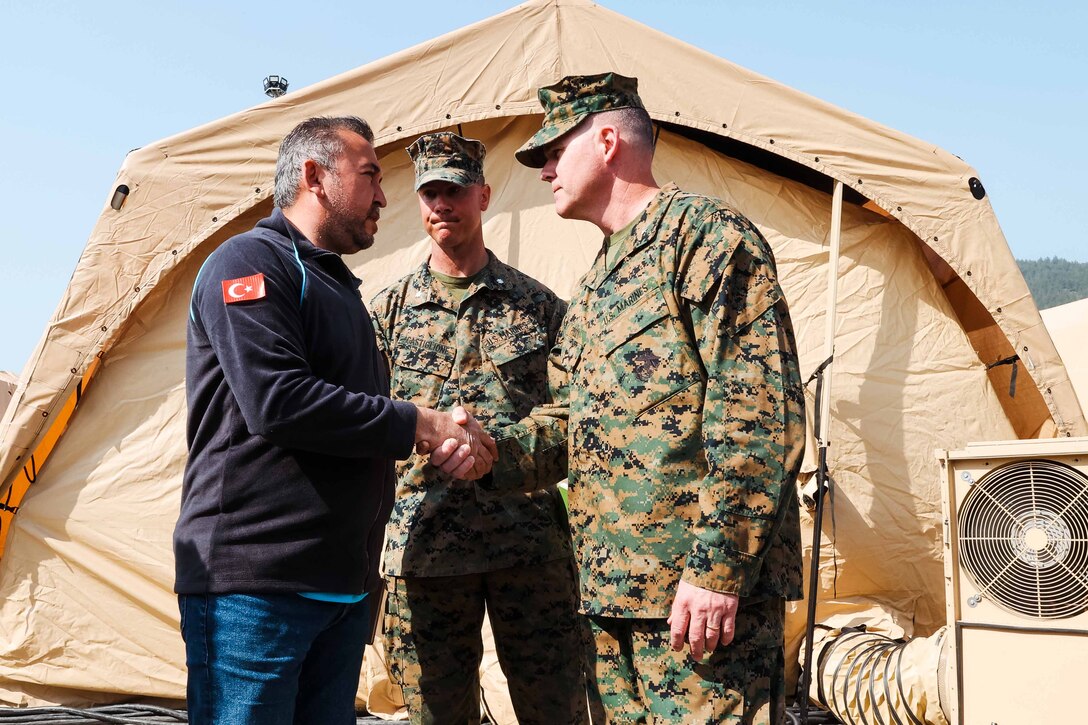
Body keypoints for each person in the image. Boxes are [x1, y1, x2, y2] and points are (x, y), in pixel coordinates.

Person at [472, 73, 806, 723]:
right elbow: (571, 424)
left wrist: (716, 570)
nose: (543, 171)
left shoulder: (706, 239)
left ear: (605, 141)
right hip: (612, 600)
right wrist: (487, 452)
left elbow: (759, 417)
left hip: (696, 611)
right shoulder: (598, 281)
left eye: (552, 151)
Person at [175, 116, 493, 725]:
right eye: (370, 175)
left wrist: (437, 437)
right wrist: (418, 425)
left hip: (342, 591)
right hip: (258, 590)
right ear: (315, 176)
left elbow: (352, 424)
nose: (382, 196)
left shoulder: (341, 288)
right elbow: (278, 401)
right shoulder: (249, 261)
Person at [369, 132, 588, 725]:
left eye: (455, 190)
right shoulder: (384, 315)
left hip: (528, 547)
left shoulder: (538, 306)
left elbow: (573, 414)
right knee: (435, 715)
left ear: (484, 195)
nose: (442, 204)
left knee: (556, 708)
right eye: (430, 192)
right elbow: (364, 423)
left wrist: (499, 453)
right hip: (426, 551)